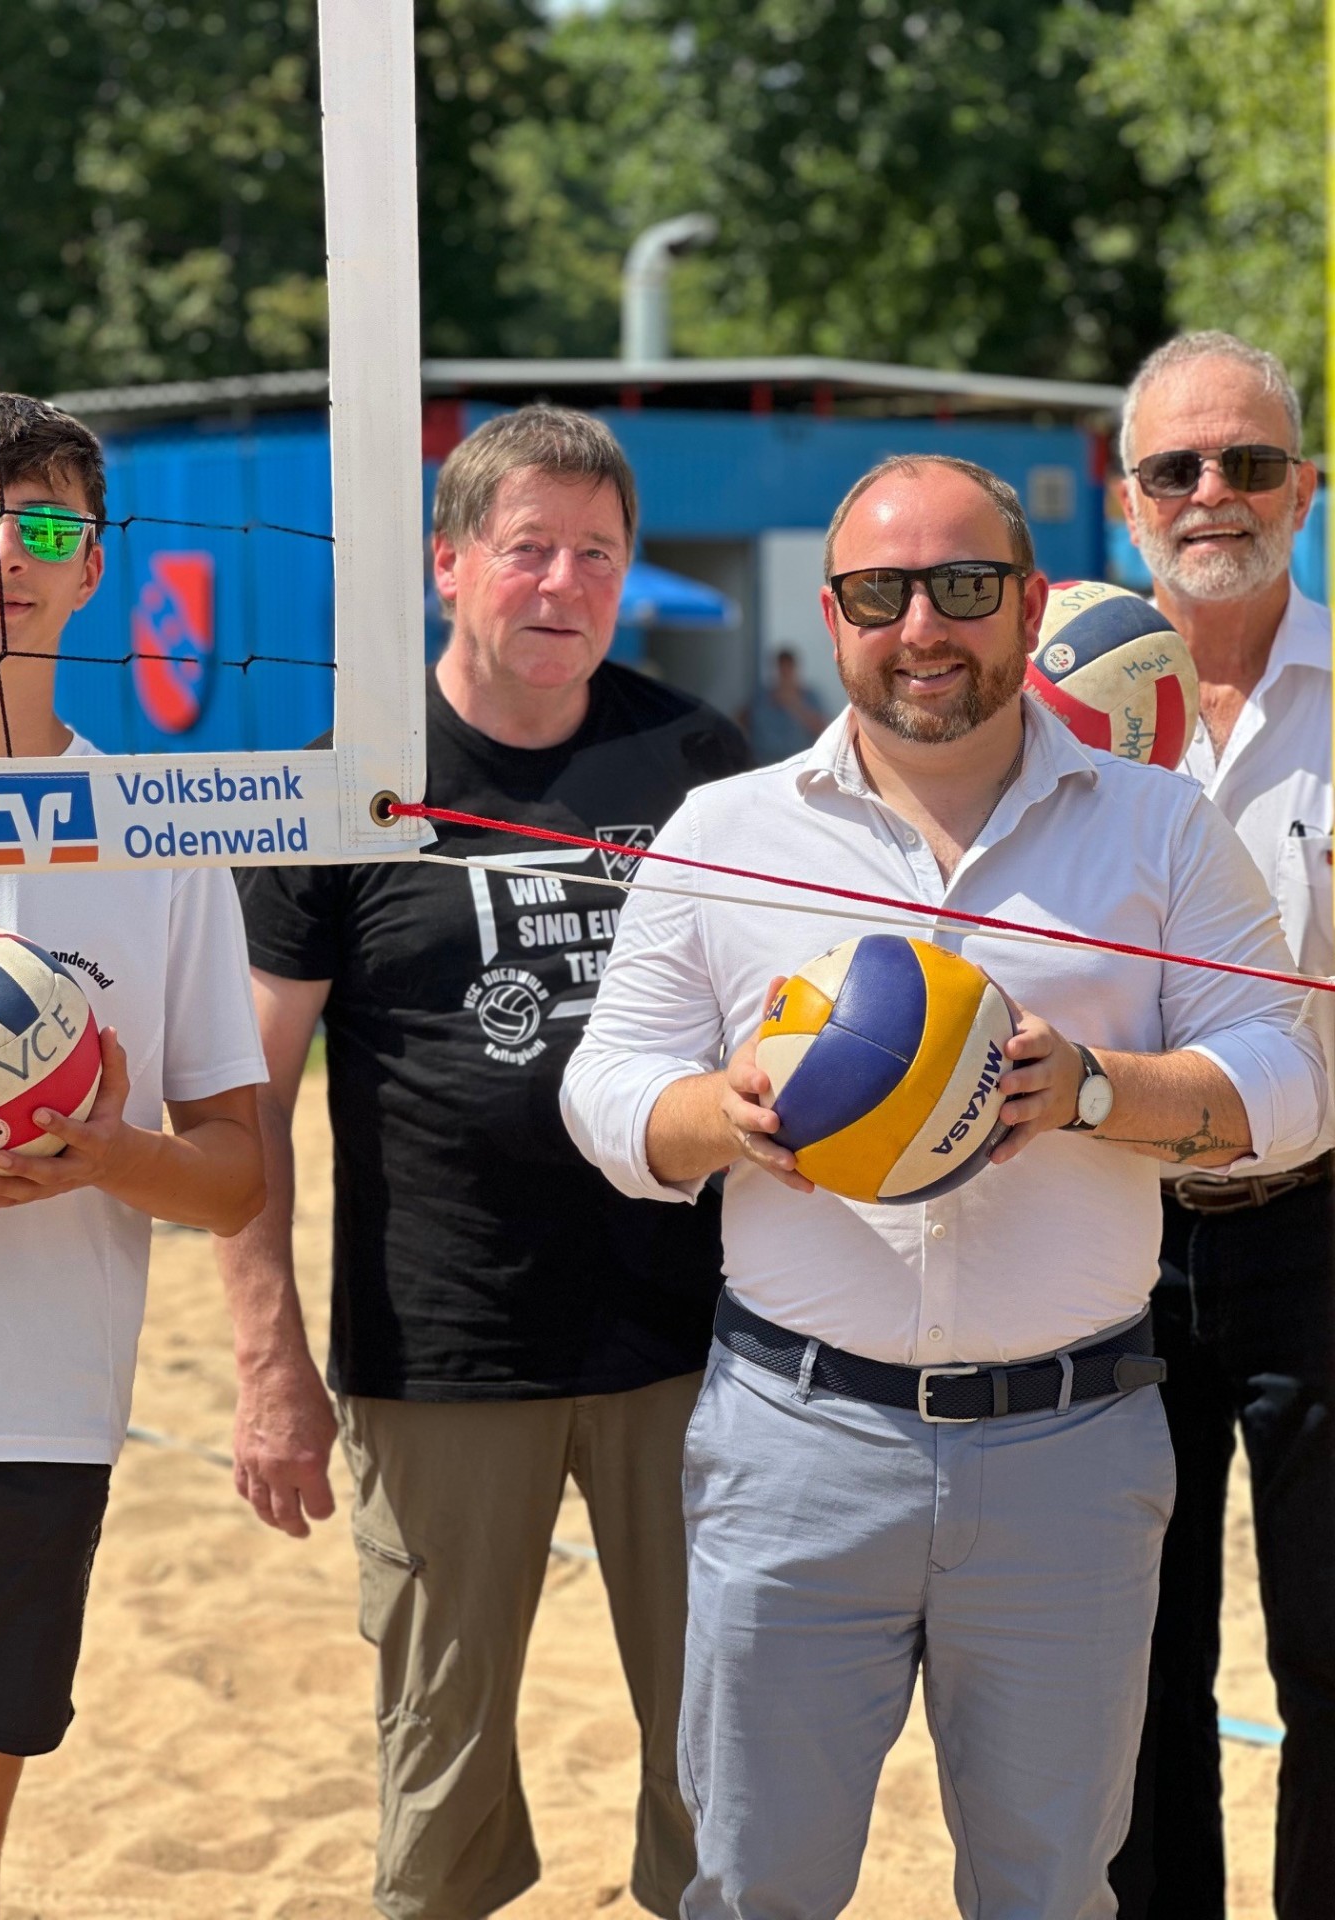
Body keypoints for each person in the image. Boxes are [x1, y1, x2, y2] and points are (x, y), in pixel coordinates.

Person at [561, 452, 1327, 1920]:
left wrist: (1095, 1089)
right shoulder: (726, 831)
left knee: (1048, 1890)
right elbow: (602, 1092)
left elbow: (1290, 1086)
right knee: (758, 1887)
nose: (924, 627)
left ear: (1030, 607)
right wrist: (717, 1116)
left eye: (966, 588)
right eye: (880, 593)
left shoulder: (1158, 826)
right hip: (794, 1442)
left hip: (1071, 1448)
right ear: (838, 616)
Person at [216, 405, 749, 1920]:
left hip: (687, 1345)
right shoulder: (348, 778)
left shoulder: (692, 755)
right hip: (445, 1348)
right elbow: (253, 1095)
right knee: (439, 1795)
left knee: (720, 1773)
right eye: (527, 551)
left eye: (597, 555)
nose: (562, 585)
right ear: (449, 563)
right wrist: (271, 1366)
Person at [0, 389, 266, 1917]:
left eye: (47, 527)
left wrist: (109, 1152)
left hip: (22, 1418)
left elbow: (236, 1169)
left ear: (95, 567)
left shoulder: (158, 827)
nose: (6, 553)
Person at [1106, 333, 1333, 1920]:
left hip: (1320, 1224)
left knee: (1333, 1658)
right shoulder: (1043, 713)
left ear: (1305, 489)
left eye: (1248, 462)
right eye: (1176, 468)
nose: (1213, 494)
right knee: (1133, 1672)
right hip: (1103, 1237)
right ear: (1125, 505)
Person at [742, 646, 827, 763]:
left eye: (788, 669)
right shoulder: (761, 696)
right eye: (782, 669)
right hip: (765, 762)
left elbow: (823, 729)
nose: (785, 674)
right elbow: (743, 720)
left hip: (798, 763)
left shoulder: (809, 697)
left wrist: (794, 704)